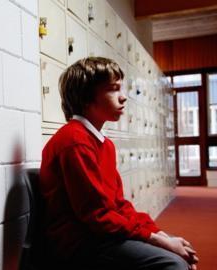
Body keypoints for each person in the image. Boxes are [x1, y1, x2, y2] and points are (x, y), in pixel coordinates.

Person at [39, 57, 198, 270]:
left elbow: (118, 205)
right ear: (86, 97)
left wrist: (158, 233)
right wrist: (160, 242)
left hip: (100, 235)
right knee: (173, 264)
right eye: (113, 89)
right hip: (80, 243)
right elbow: (98, 216)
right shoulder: (74, 141)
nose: (123, 97)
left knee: (181, 253)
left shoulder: (104, 144)